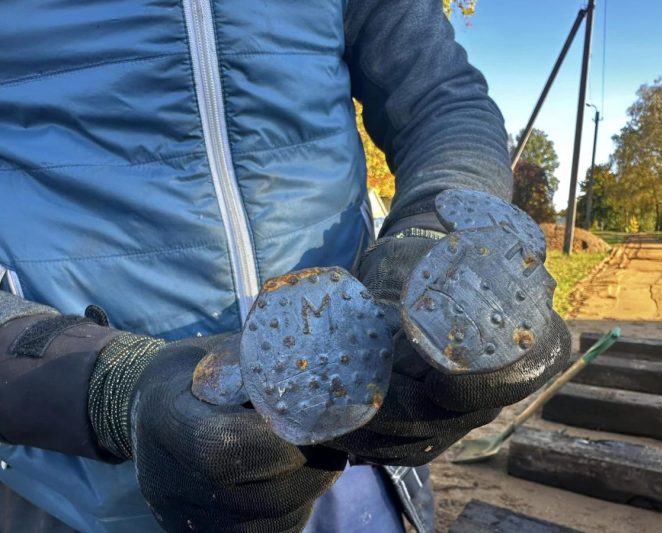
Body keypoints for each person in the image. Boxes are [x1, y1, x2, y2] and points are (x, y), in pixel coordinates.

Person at [0, 0, 571, 531]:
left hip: (356, 456)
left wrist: (432, 234)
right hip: (68, 484)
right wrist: (110, 390)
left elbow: (442, 98)